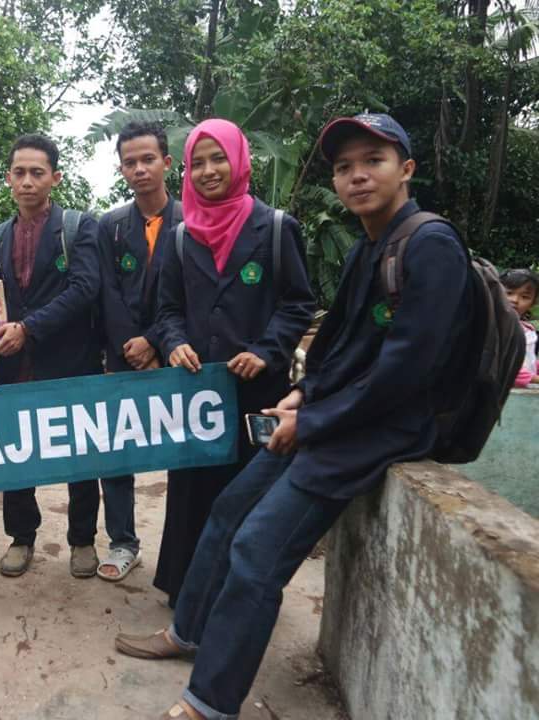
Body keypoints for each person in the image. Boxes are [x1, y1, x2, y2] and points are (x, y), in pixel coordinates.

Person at [114, 113, 472, 720]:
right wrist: (305, 394)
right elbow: (339, 346)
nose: (357, 176)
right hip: (329, 416)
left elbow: (405, 371)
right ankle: (187, 631)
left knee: (257, 551)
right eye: (345, 167)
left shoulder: (429, 244)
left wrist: (311, 421)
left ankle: (209, 702)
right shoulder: (370, 245)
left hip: (372, 433)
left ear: (406, 169)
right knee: (227, 510)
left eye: (373, 162)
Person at [142, 119, 315, 607]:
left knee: (248, 497)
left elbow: (299, 303)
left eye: (218, 158)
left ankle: (237, 600)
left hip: (257, 393)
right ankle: (185, 594)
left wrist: (265, 349)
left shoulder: (276, 228)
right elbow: (167, 310)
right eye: (197, 163)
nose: (208, 171)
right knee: (192, 494)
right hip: (196, 392)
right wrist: (175, 343)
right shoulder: (180, 238)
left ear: (240, 162)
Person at [0, 134, 103, 578]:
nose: (27, 181)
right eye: (19, 172)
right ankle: (21, 537)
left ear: (55, 177)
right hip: (15, 366)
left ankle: (83, 540)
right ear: (8, 178)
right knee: (16, 453)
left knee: (81, 455)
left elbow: (85, 288)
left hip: (71, 361)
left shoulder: (78, 227)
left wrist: (29, 329)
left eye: (37, 173)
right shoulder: (0, 235)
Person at [94, 121, 181, 582]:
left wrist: (156, 341)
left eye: (148, 159)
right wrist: (130, 346)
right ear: (121, 169)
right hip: (122, 355)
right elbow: (107, 293)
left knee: (185, 456)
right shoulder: (110, 227)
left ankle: (184, 549)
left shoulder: (192, 222)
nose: (140, 169)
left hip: (178, 355)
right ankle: (123, 542)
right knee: (116, 453)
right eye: (130, 162)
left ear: (167, 162)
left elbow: (192, 295)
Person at [500, 269, 538, 387]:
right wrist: (535, 379)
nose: (515, 300)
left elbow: (528, 360)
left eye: (524, 297)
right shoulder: (496, 327)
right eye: (509, 293)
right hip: (504, 392)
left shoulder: (527, 329)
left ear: (533, 303)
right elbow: (505, 367)